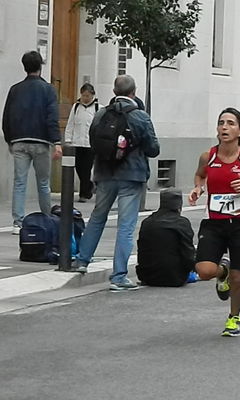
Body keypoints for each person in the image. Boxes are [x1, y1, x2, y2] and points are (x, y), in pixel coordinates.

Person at [188, 107, 240, 337]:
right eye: (221, 123)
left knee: (239, 277)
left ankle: (234, 317)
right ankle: (220, 271)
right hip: (214, 222)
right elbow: (200, 174)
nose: (224, 127)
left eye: (230, 123)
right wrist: (198, 188)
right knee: (204, 270)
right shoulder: (209, 156)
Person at [72, 75, 160, 290]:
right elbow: (153, 149)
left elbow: (93, 140)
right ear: (134, 92)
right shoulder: (140, 116)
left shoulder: (101, 113)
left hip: (104, 174)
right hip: (131, 176)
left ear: (113, 91)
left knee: (97, 218)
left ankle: (82, 260)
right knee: (126, 226)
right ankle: (119, 276)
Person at [2, 50, 62, 235]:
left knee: (19, 182)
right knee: (43, 182)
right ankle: (47, 218)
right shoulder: (48, 89)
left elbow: (6, 116)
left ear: (24, 66)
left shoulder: (15, 89)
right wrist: (57, 141)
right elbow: (52, 117)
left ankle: (17, 222)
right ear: (40, 66)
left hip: (19, 140)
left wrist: (9, 139)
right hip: (41, 140)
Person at [136, 188, 195, 287]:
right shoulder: (182, 223)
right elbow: (188, 253)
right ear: (179, 206)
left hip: (147, 277)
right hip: (175, 278)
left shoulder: (147, 222)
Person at [64, 83, 101, 202]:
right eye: (84, 95)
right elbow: (70, 124)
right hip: (77, 142)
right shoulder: (76, 107)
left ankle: (84, 194)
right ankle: (89, 185)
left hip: (90, 144)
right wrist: (68, 139)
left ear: (93, 95)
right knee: (78, 167)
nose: (86, 98)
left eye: (88, 95)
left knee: (86, 168)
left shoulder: (98, 108)